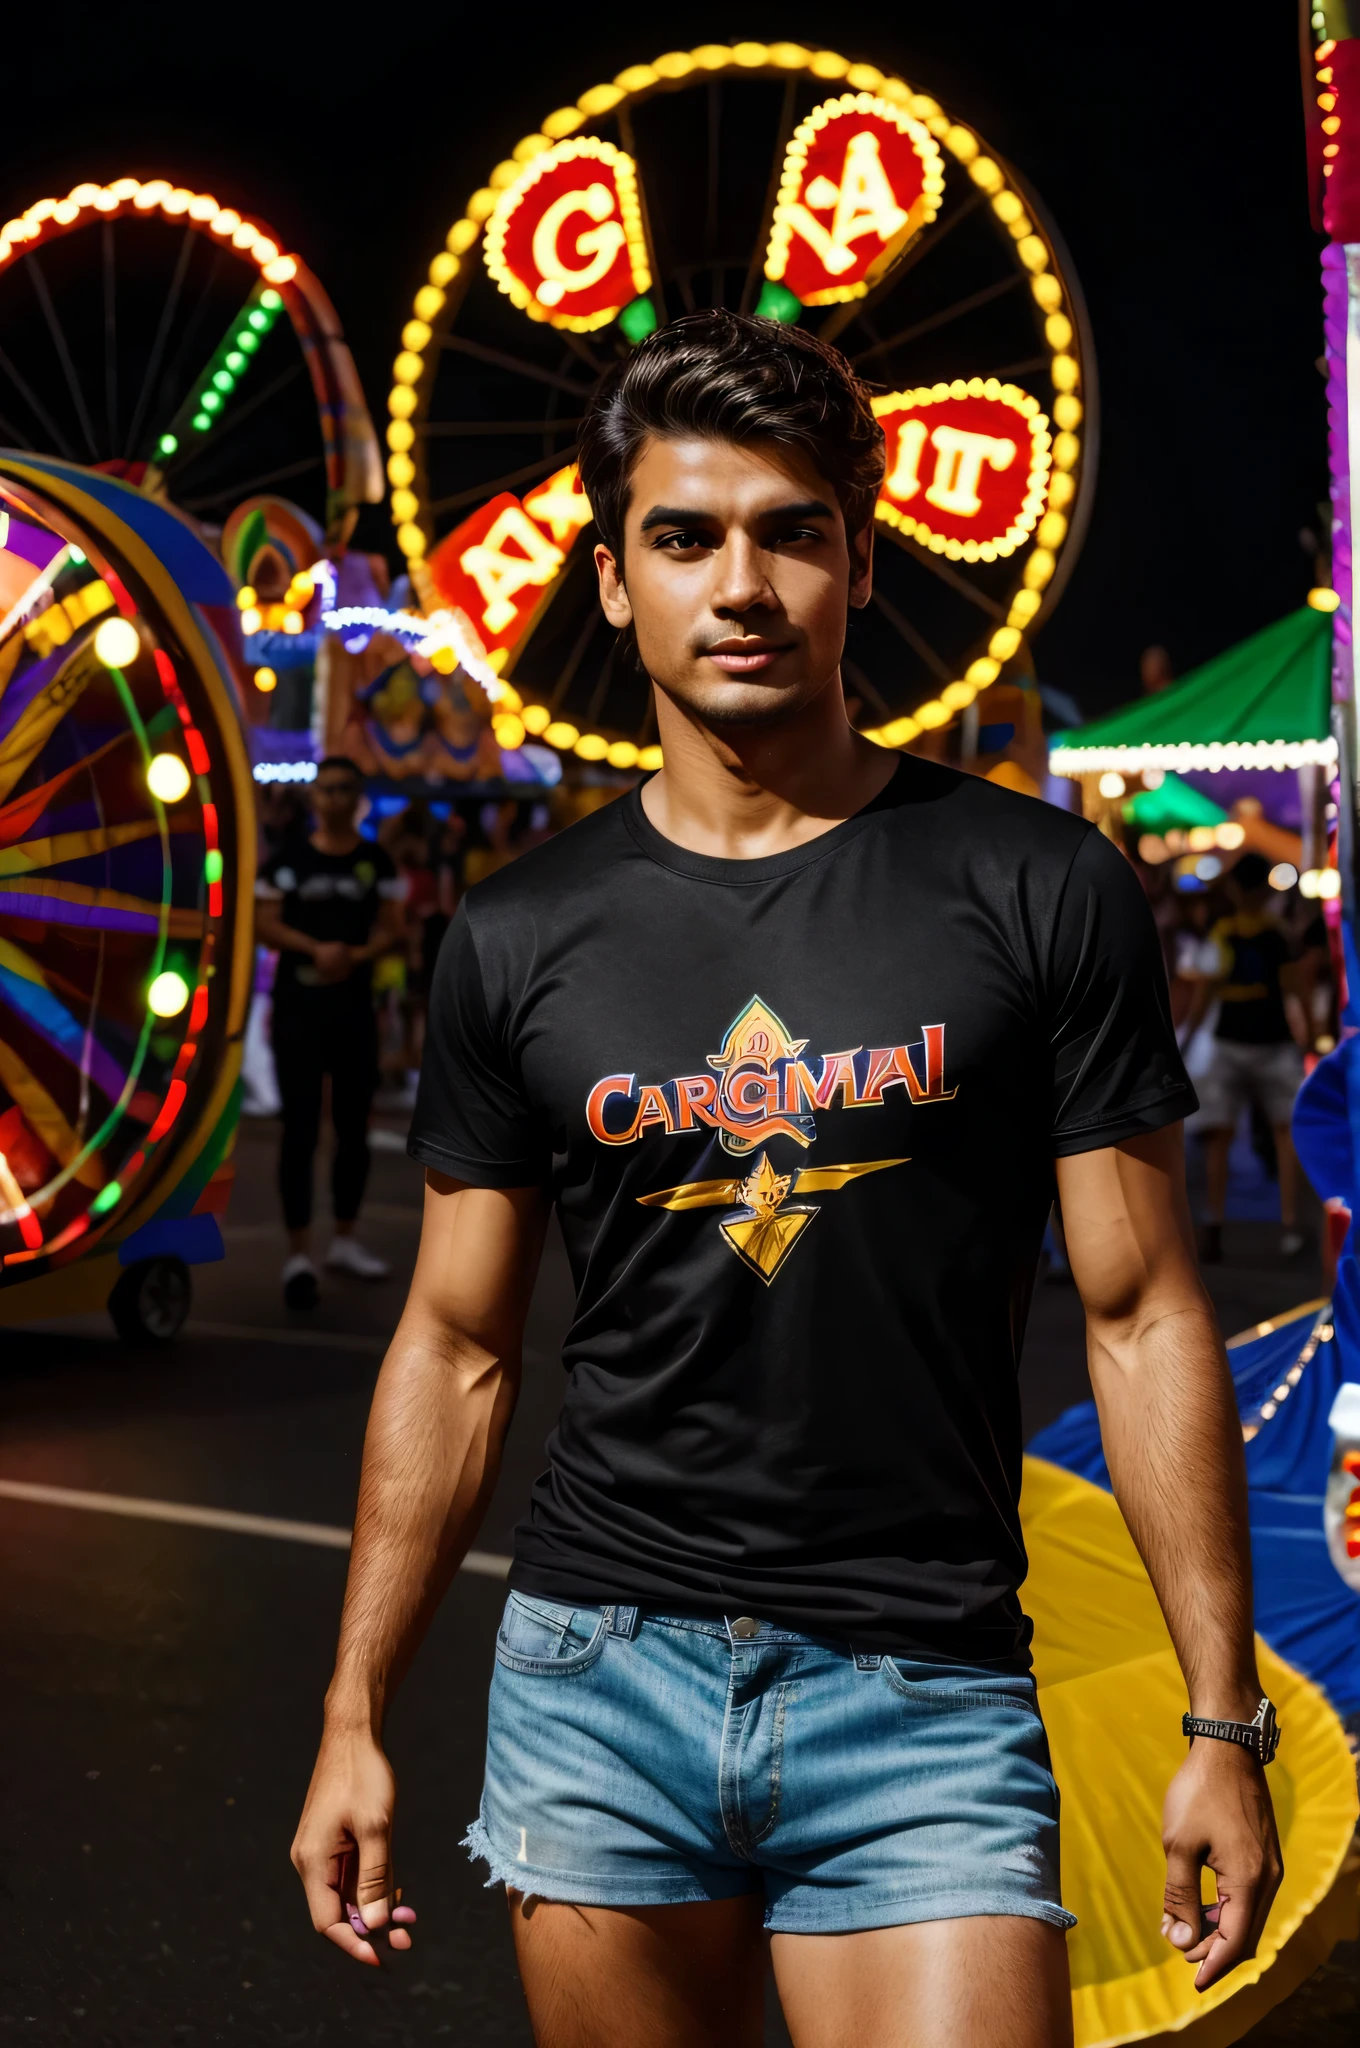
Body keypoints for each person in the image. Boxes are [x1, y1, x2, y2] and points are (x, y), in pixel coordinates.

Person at [291, 313, 1281, 2045]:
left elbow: (1137, 1314)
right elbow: (454, 1345)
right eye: (684, 536)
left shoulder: (1034, 885)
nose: (738, 581)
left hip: (928, 1686)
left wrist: (1223, 1719)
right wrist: (355, 1706)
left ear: (860, 561)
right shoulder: (519, 935)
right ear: (611, 582)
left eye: (789, 530)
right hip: (600, 1678)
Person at [255, 755, 406, 1308]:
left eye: (346, 790)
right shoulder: (287, 860)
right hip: (297, 1010)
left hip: (353, 1011)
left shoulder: (375, 862)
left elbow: (395, 929)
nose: (335, 799)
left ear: (358, 799)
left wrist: (356, 954)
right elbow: (262, 920)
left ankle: (344, 1239)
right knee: (299, 1129)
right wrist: (313, 949)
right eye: (326, 790)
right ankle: (298, 1253)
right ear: (314, 799)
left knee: (351, 1128)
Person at [1189, 853, 1307, 1262]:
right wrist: (1306, 1035)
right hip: (1274, 1042)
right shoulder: (1279, 934)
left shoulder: (1222, 932)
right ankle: (1289, 1224)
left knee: (1218, 1138)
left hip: (1230, 1042)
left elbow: (1204, 996)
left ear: (1236, 889)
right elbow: (1297, 988)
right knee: (1285, 1134)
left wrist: (1185, 1040)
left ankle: (1213, 1223)